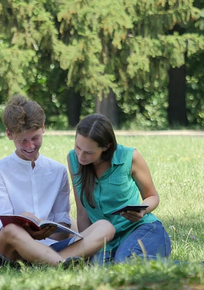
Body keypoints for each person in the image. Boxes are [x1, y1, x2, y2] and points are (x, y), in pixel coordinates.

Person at [0, 95, 115, 266]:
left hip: (52, 245)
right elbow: (2, 227)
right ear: (9, 134)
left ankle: (51, 261)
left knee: (105, 227)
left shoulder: (57, 171)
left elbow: (63, 224)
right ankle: (62, 263)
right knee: (11, 229)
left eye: (35, 138)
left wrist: (47, 232)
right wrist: (31, 232)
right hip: (12, 250)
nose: (30, 146)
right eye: (23, 141)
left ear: (43, 128)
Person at [68, 113, 172, 264]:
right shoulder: (73, 159)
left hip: (141, 229)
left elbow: (153, 196)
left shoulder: (130, 157)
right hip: (105, 240)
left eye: (89, 152)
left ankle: (198, 269)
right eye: (78, 147)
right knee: (98, 267)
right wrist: (86, 250)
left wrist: (142, 209)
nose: (80, 156)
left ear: (106, 146)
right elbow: (83, 212)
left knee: (125, 261)